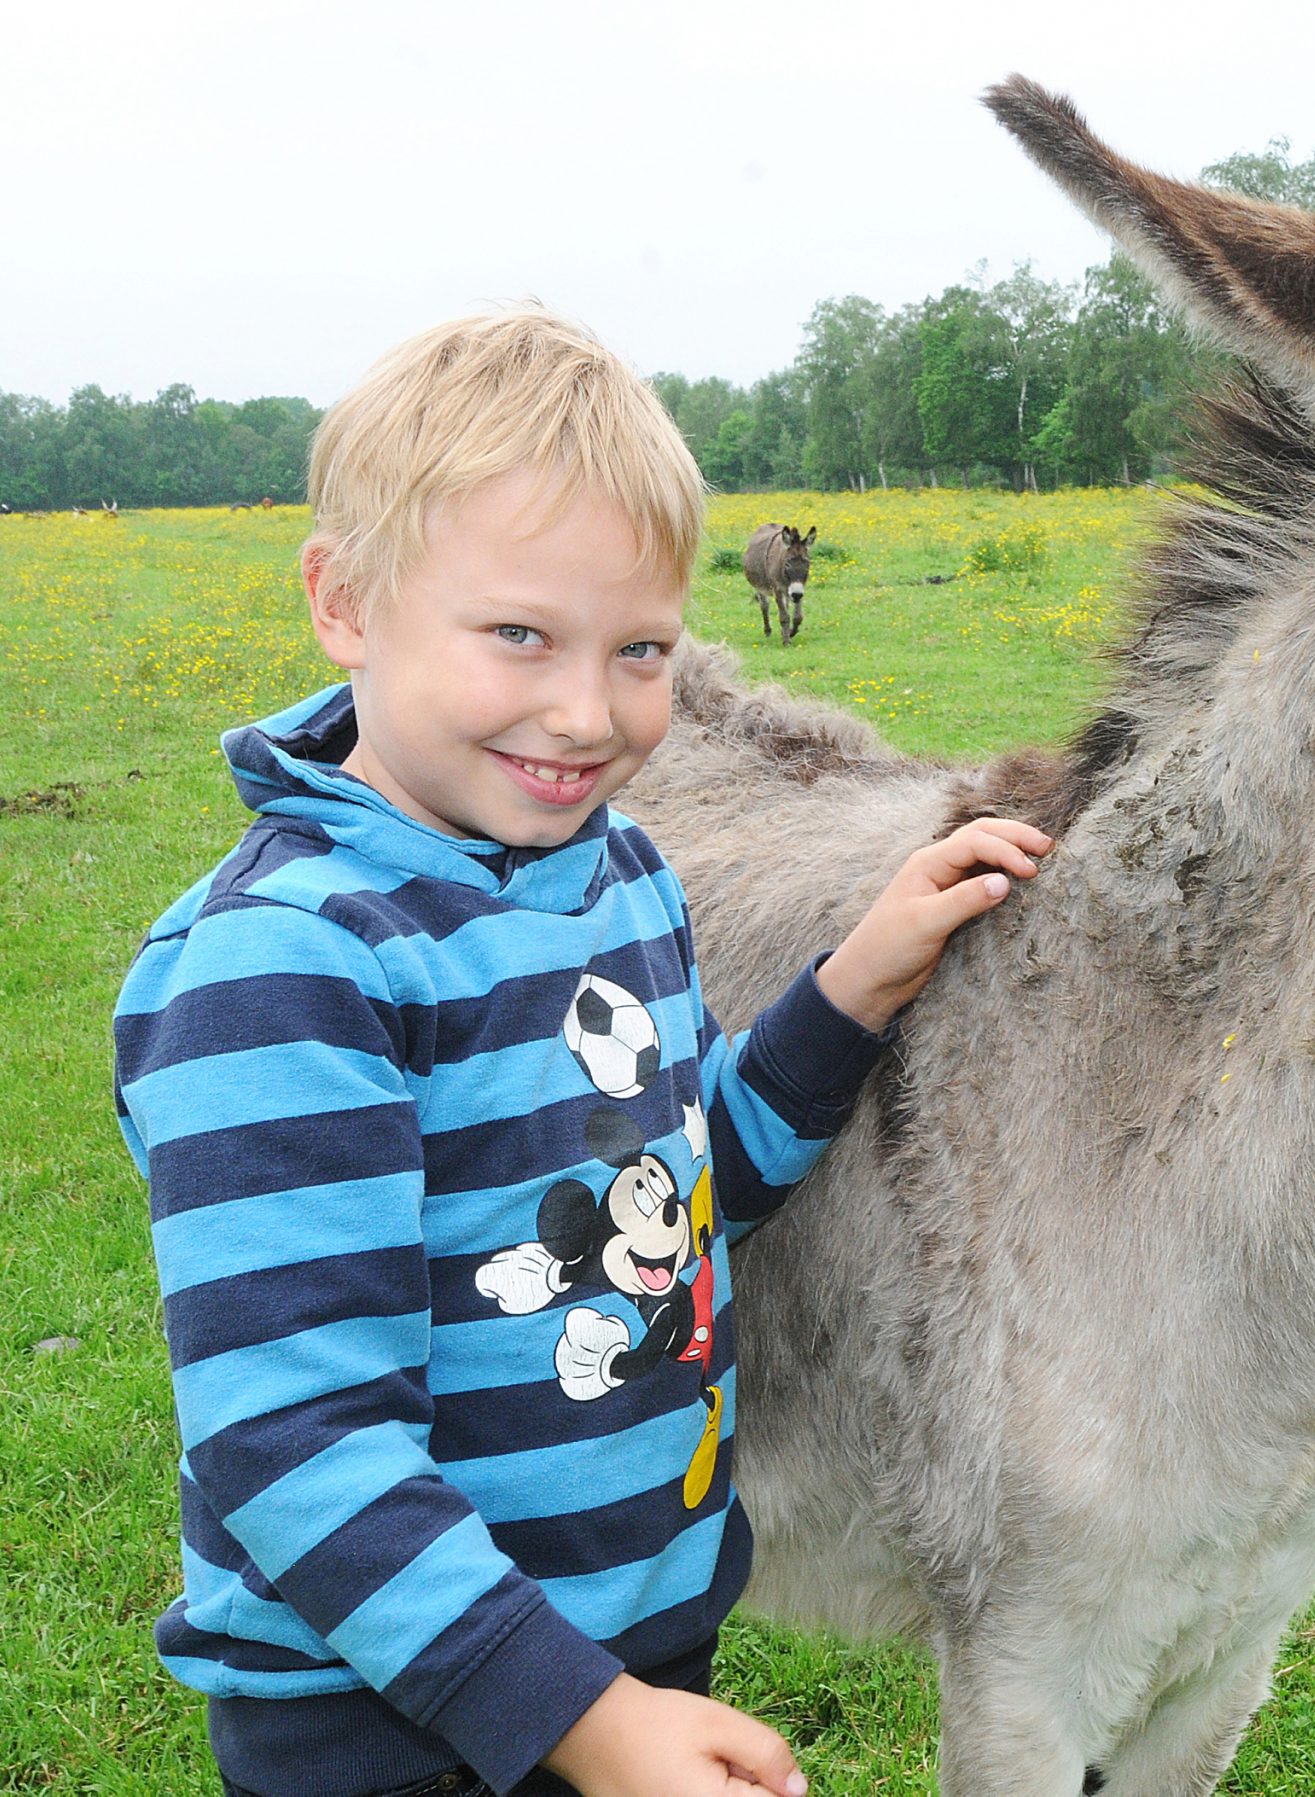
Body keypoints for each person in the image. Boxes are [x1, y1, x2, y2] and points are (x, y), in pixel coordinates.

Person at [113, 307, 1050, 1797]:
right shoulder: (286, 966)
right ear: (344, 603)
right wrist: (584, 1720)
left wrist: (858, 981)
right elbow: (294, 1444)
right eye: (519, 636)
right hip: (389, 1711)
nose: (587, 710)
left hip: (622, 1645)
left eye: (641, 651)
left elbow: (668, 1204)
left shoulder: (615, 876)